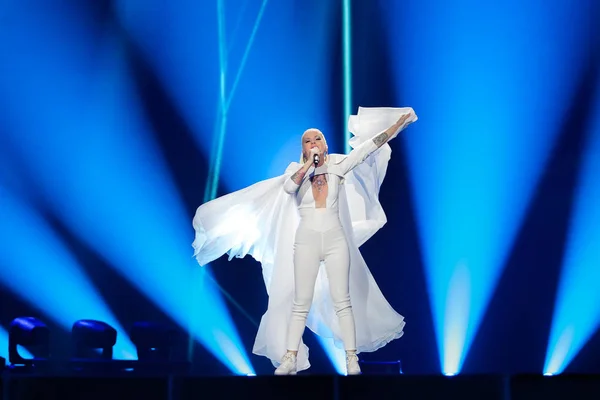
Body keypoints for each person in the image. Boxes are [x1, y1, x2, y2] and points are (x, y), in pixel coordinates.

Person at [192, 107, 417, 375]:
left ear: (325, 143)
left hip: (335, 239)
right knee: (301, 301)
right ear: (303, 148)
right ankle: (290, 357)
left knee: (341, 299)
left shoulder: (338, 166)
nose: (313, 144)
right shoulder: (295, 172)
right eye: (308, 141)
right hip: (307, 240)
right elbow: (289, 188)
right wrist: (309, 164)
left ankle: (351, 359)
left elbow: (369, 147)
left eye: (317, 139)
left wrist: (395, 128)